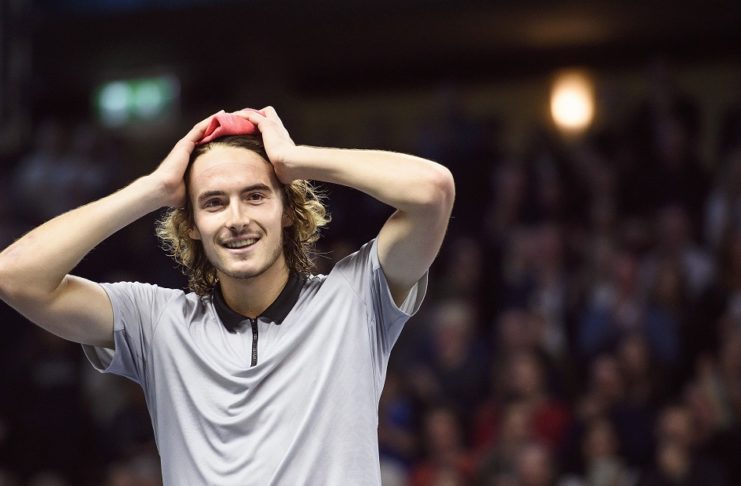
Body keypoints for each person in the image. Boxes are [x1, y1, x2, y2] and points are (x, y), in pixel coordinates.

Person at [0, 107, 455, 484]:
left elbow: (432, 191)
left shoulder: (355, 299)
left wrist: (294, 159)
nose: (236, 219)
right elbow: (16, 275)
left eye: (255, 196)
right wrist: (153, 188)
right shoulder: (154, 322)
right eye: (213, 202)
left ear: (288, 211)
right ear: (191, 225)